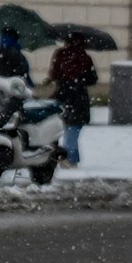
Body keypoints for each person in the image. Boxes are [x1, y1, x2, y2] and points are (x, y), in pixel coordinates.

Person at [46, 31, 98, 168]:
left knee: (60, 126)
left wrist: (59, 79)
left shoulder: (60, 54)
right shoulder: (85, 57)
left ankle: (65, 157)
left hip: (63, 94)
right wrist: (80, 79)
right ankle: (69, 158)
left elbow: (54, 74)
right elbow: (93, 79)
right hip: (79, 96)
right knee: (73, 127)